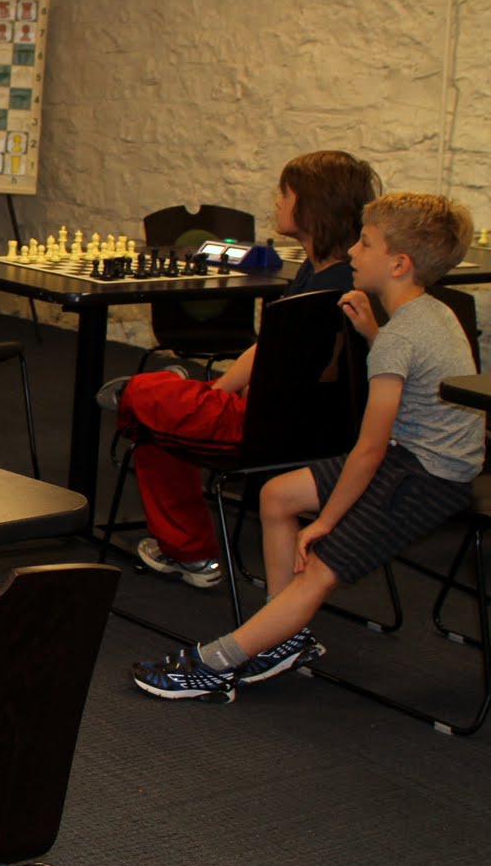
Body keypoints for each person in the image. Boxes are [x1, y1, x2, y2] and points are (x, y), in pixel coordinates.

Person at [132, 192, 483, 701]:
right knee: (277, 496)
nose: (355, 253)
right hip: (415, 456)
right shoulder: (430, 314)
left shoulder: (398, 340)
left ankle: (216, 664)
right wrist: (371, 333)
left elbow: (368, 452)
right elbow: (412, 382)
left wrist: (325, 522)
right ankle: (280, 637)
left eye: (366, 244)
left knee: (318, 570)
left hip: (427, 477)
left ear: (399, 264)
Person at [101, 151, 379, 586]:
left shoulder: (329, 290)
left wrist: (219, 397)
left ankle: (142, 395)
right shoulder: (324, 271)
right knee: (156, 426)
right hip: (302, 424)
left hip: (272, 432)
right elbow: (269, 351)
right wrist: (219, 393)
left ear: (309, 206)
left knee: (145, 397)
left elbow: (277, 369)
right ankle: (189, 554)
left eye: (284, 194)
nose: (276, 201)